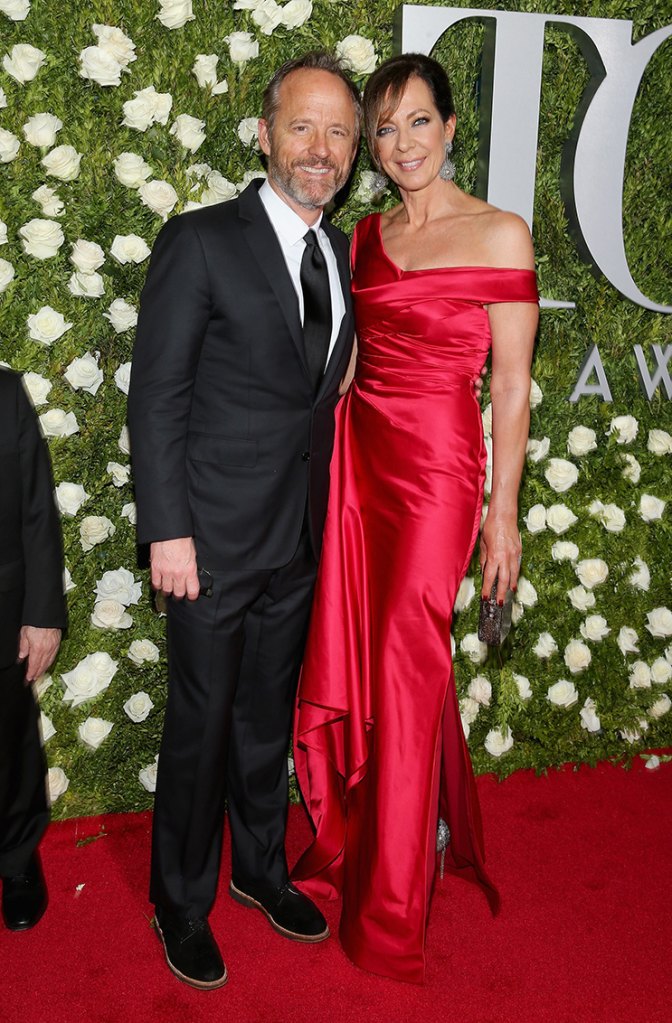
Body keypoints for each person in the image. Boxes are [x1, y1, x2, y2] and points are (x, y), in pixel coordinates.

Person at [292, 53, 539, 984]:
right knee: (364, 645)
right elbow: (346, 362)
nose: (400, 146)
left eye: (418, 123)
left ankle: (391, 902)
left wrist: (501, 514)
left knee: (408, 650)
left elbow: (511, 384)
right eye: (385, 129)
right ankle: (400, 823)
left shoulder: (500, 234)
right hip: (361, 457)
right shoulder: (363, 235)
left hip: (437, 468)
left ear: (449, 126)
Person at [127, 52, 362, 990]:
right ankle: (181, 899)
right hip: (212, 543)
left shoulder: (341, 253)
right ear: (264, 135)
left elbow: (323, 387)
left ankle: (261, 869)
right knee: (201, 722)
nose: (321, 149)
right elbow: (159, 396)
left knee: (265, 722)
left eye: (339, 132)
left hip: (298, 539)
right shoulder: (201, 240)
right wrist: (168, 529)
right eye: (302, 127)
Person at [0, 368, 66, 932]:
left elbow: (37, 510)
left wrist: (42, 615)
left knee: (10, 742)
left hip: (2, 611)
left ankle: (17, 860)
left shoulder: (3, 393)